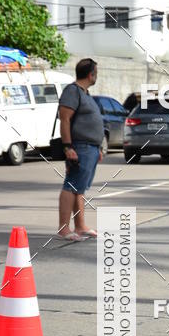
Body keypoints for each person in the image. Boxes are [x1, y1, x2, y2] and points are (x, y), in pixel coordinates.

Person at [57, 58, 103, 241]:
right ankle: (63, 228)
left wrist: (97, 147)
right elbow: (65, 119)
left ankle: (80, 226)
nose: (96, 76)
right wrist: (68, 147)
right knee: (71, 185)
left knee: (79, 188)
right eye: (96, 72)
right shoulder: (72, 91)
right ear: (91, 74)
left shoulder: (85, 93)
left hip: (90, 147)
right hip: (79, 147)